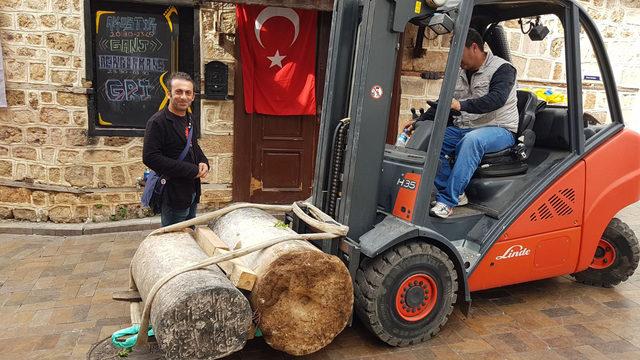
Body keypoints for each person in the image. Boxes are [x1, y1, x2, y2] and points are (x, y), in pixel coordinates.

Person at [410, 29, 519, 218]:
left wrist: (460, 105)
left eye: (459, 54)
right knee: (433, 137)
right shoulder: (460, 72)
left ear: (474, 48)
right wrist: (419, 123)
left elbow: (496, 99)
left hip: (499, 129)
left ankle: (447, 201)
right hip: (467, 127)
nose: (457, 61)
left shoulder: (503, 69)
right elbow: (443, 103)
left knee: (472, 141)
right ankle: (456, 193)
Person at [143, 72, 210, 226]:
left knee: (190, 234)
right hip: (174, 193)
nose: (183, 97)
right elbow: (150, 157)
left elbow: (193, 146)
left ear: (193, 96)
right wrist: (191, 170)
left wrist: (203, 162)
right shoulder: (158, 122)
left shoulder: (190, 118)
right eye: (178, 92)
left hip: (191, 191)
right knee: (173, 240)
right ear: (168, 94)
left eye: (188, 93)